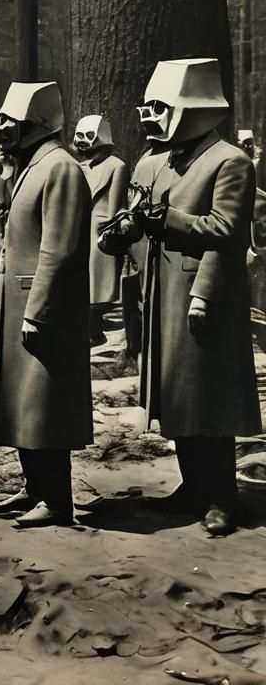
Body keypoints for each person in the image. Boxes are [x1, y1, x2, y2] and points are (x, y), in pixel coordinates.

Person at [101, 58, 260, 536]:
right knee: (178, 398)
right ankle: (193, 486)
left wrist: (167, 222)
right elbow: (139, 215)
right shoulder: (155, 161)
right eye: (147, 107)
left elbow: (226, 231)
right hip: (161, 294)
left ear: (191, 108)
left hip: (203, 296)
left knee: (208, 397)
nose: (149, 117)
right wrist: (126, 229)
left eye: (159, 107)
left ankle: (222, 498)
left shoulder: (230, 161)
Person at [0, 81, 91, 528]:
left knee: (45, 404)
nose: (2, 129)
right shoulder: (32, 165)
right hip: (20, 302)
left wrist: (38, 310)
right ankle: (34, 487)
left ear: (39, 123)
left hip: (42, 308)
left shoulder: (60, 167)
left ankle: (57, 500)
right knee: (23, 402)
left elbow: (58, 250)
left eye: (12, 121)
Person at [72, 114, 129, 346]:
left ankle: (94, 329)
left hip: (101, 230)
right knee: (83, 281)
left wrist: (109, 227)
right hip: (81, 228)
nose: (82, 141)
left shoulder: (117, 166)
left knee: (97, 282)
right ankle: (90, 329)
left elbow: (116, 205)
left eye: (88, 135)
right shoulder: (79, 167)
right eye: (79, 136)